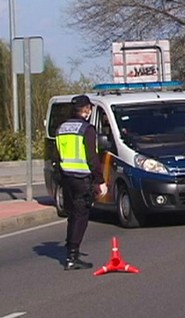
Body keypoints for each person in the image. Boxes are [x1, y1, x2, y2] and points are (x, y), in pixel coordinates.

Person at [54, 95, 108, 270]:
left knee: (72, 215)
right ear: (86, 110)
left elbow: (57, 154)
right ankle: (72, 256)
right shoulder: (87, 129)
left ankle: (70, 249)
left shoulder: (61, 128)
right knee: (81, 216)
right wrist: (100, 181)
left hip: (66, 178)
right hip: (81, 178)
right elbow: (92, 158)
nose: (90, 111)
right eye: (89, 109)